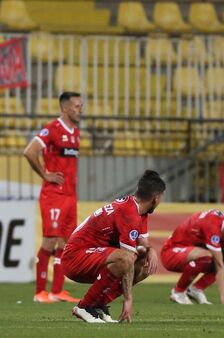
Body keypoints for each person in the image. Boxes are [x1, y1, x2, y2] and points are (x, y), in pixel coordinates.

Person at [62, 170, 166, 323]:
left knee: (143, 267)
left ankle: (98, 303)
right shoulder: (129, 213)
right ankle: (85, 306)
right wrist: (128, 299)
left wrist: (151, 250)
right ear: (156, 198)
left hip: (93, 256)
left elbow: (143, 245)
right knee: (126, 259)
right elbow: (127, 259)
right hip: (74, 258)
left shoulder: (140, 211)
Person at [23, 91, 82, 303]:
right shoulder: (52, 129)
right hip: (53, 195)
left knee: (64, 243)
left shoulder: (75, 131)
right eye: (76, 106)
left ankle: (57, 291)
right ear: (65, 108)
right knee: (49, 240)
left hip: (69, 196)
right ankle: (40, 292)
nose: (80, 109)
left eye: (80, 106)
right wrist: (45, 174)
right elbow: (30, 151)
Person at [161, 210, 224, 305]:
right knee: (208, 256)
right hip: (171, 252)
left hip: (190, 251)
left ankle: (196, 289)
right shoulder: (213, 227)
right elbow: (219, 265)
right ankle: (178, 292)